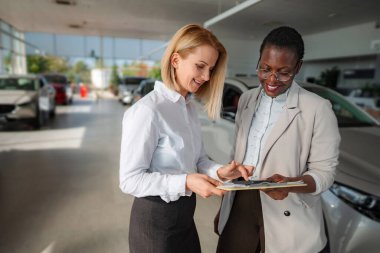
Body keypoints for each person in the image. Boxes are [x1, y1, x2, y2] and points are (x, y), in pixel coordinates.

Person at [119, 24, 253, 253]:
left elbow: (199, 160)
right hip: (154, 224)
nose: (207, 76)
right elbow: (130, 180)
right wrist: (186, 181)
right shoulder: (148, 111)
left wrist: (220, 171)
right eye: (200, 66)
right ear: (175, 60)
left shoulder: (189, 108)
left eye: (210, 68)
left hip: (184, 220)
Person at [215, 26, 340, 253]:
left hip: (288, 208)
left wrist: (292, 184)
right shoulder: (246, 99)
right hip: (240, 202)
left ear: (298, 67)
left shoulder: (317, 108)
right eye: (265, 69)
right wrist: (226, 205)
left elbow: (325, 173)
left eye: (283, 72)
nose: (272, 79)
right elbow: (237, 153)